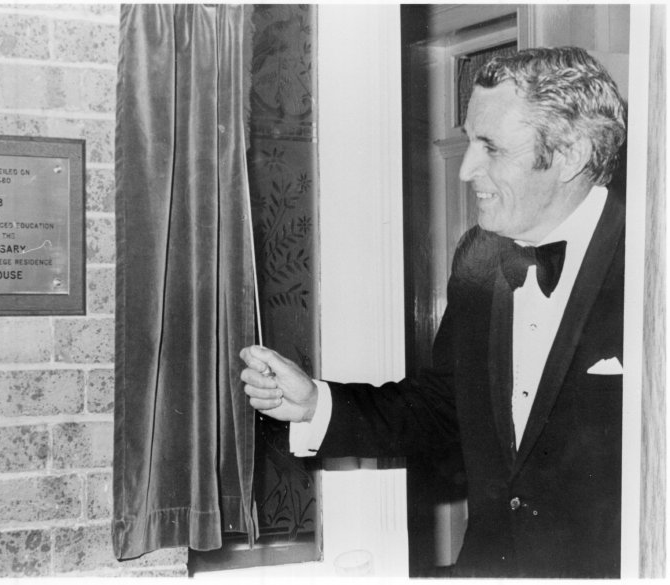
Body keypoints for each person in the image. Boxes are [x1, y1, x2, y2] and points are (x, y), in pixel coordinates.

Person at [240, 47, 627, 578]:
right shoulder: (481, 257)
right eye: (469, 140)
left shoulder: (652, 261)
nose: (467, 169)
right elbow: (441, 409)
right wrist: (315, 404)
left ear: (571, 154)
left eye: (490, 147)